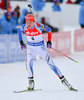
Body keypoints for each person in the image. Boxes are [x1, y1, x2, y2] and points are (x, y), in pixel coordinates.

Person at [18, 13, 77, 91]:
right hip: (31, 48)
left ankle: (64, 81)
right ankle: (31, 83)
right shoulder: (24, 27)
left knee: (51, 64)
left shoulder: (39, 26)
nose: (28, 24)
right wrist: (21, 42)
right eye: (27, 22)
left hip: (40, 48)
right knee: (29, 63)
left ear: (33, 22)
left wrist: (49, 41)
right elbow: (19, 31)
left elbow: (49, 30)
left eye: (30, 22)